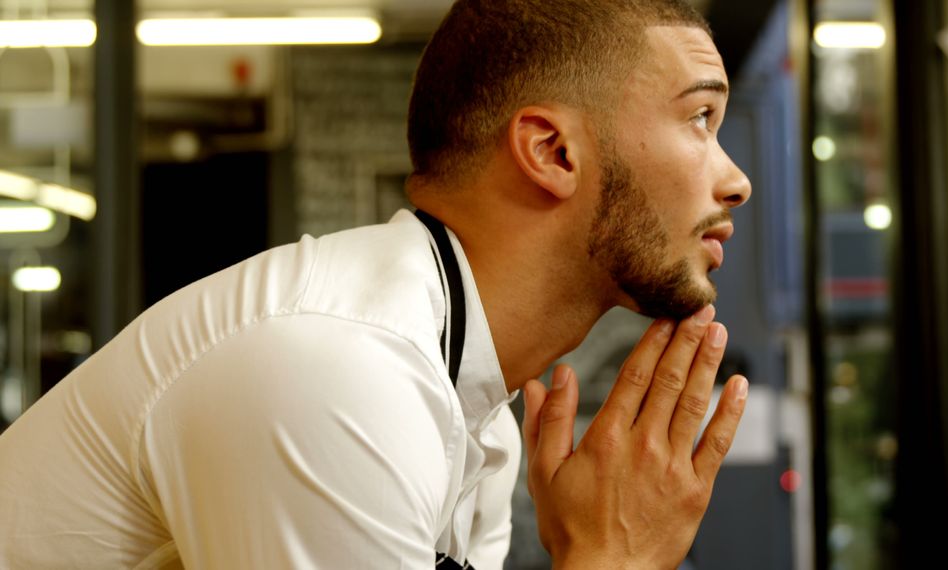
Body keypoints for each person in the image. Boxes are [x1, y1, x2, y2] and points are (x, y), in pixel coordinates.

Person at [0, 0, 752, 567]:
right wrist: (611, 559)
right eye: (700, 118)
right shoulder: (337, 370)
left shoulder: (475, 409)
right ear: (552, 151)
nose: (737, 181)